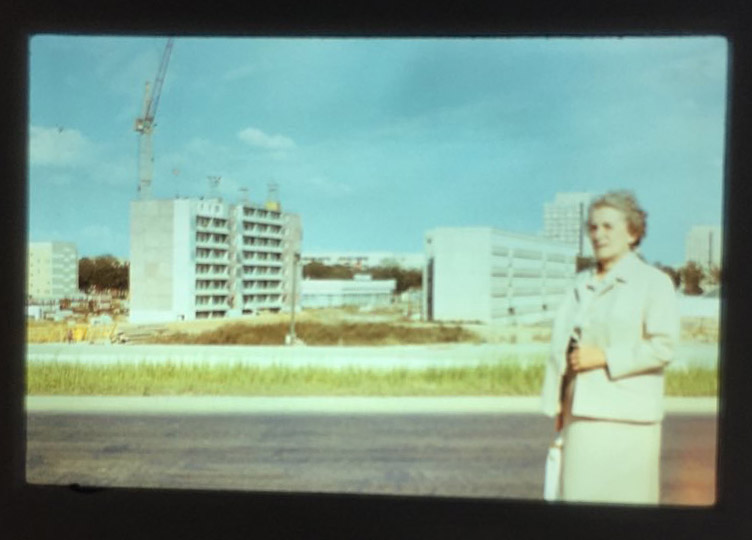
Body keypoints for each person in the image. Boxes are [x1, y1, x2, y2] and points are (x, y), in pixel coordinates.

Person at [541, 190, 680, 504]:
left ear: (632, 233)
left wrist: (603, 357)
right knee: (578, 510)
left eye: (608, 226)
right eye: (593, 227)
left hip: (629, 420)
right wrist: (561, 401)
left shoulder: (653, 282)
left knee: (627, 517)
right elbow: (567, 348)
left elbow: (663, 346)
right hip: (581, 415)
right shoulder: (580, 284)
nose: (598, 235)